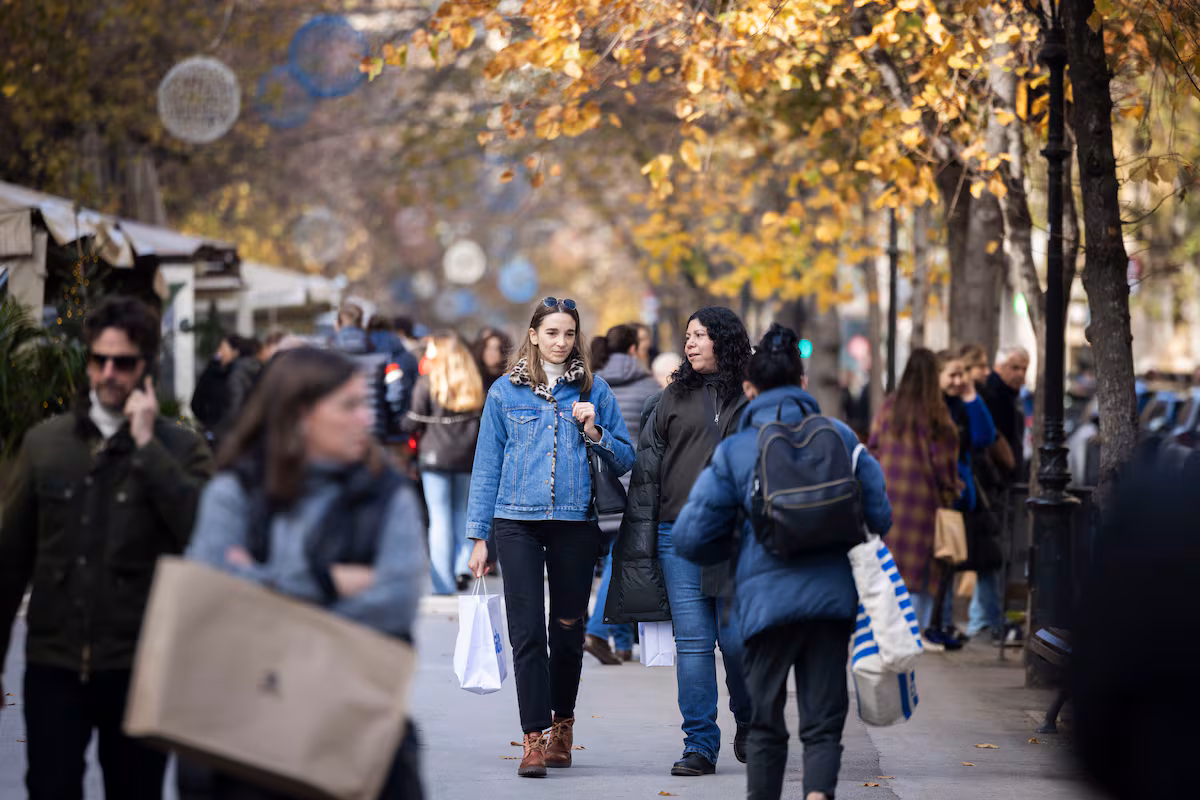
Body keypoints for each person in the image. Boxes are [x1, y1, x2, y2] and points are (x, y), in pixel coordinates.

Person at [185, 347, 428, 799]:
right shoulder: (235, 491)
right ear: (300, 414)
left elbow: (394, 603)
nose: (366, 419)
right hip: (245, 734)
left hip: (355, 728)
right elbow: (210, 594)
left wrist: (260, 586)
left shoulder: (386, 495)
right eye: (349, 406)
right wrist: (330, 582)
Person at [0, 295, 213, 800]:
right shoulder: (46, 444)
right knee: (50, 789)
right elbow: (9, 561)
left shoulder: (180, 448)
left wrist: (148, 450)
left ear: (147, 368)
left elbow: (204, 535)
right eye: (100, 360)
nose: (109, 373)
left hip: (140, 666)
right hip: (56, 662)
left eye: (123, 362)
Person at [674, 323, 892, 800]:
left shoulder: (735, 450)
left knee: (767, 724)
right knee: (822, 718)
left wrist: (733, 553)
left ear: (750, 389)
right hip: (830, 602)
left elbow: (690, 536)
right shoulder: (841, 438)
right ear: (805, 382)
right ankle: (817, 793)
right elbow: (880, 513)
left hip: (761, 602)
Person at [464, 297, 635, 778]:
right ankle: (533, 737)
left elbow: (627, 458)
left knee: (566, 630)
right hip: (515, 521)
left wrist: (594, 429)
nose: (561, 342)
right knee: (526, 631)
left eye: (569, 334)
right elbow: (486, 466)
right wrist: (478, 537)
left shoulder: (594, 389)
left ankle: (564, 726)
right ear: (534, 335)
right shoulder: (504, 393)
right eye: (552, 333)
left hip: (574, 523)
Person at [607, 306, 754, 777]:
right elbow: (647, 474)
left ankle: (750, 724)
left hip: (735, 536)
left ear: (724, 341)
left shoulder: (752, 398)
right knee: (693, 644)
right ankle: (700, 745)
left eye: (700, 336)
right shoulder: (670, 397)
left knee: (736, 642)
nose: (690, 343)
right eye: (687, 335)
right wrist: (642, 538)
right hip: (678, 534)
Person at [868, 348, 960, 646]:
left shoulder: (890, 407)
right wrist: (951, 490)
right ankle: (913, 633)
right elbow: (944, 465)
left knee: (891, 566)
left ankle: (888, 632)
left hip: (889, 497)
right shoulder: (937, 415)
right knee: (920, 571)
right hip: (924, 503)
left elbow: (873, 447)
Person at [583, 324, 661, 665]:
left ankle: (622, 641)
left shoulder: (591, 383)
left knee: (614, 563)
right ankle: (598, 631)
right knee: (621, 563)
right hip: (633, 489)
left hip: (599, 487)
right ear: (633, 349)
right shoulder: (648, 386)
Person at [403, 333, 485, 595]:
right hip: (466, 456)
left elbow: (411, 422)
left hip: (434, 456)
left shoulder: (427, 383)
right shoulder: (473, 384)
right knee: (461, 512)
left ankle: (443, 582)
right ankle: (462, 568)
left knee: (438, 518)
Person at [934, 349, 996, 648]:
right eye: (953, 375)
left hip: (960, 498)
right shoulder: (933, 408)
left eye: (962, 374)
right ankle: (935, 624)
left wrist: (971, 395)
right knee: (941, 562)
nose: (959, 380)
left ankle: (943, 623)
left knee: (950, 563)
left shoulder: (961, 405)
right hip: (941, 497)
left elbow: (985, 436)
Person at [331, 302, 410, 446]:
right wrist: (387, 417)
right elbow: (396, 394)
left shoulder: (325, 360)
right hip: (374, 428)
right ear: (361, 325)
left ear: (337, 325)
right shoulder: (383, 359)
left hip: (337, 430)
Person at [473, 326, 515, 393]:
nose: (490, 353)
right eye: (487, 348)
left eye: (495, 349)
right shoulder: (475, 377)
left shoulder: (508, 378)